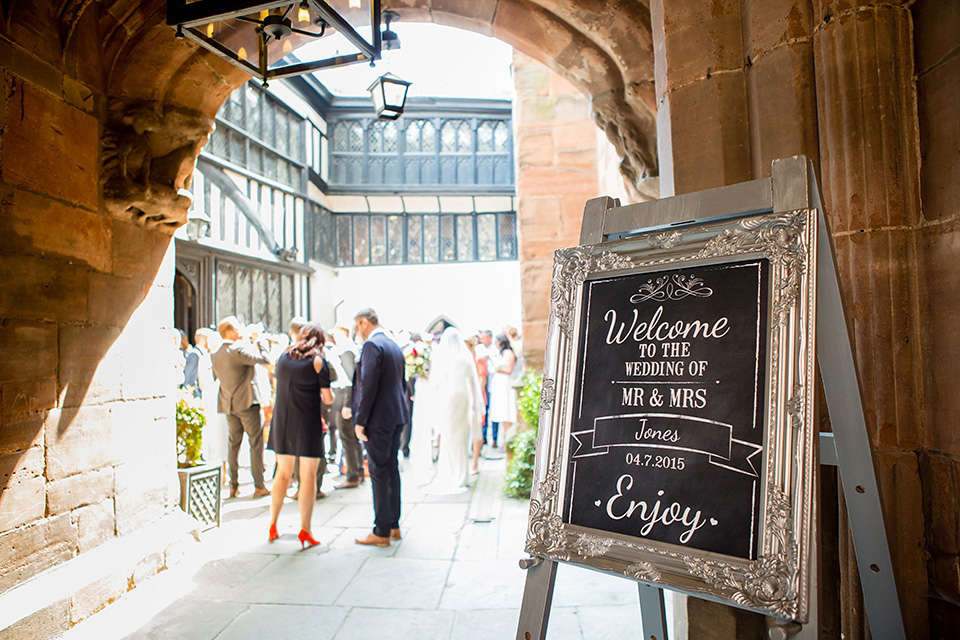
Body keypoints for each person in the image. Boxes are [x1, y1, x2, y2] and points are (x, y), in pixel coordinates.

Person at [266, 322, 334, 549]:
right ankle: (306, 530)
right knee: (308, 477)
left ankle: (273, 525)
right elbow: (328, 399)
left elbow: (279, 388)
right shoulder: (318, 361)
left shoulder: (283, 357)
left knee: (282, 474)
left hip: (283, 420)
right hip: (307, 421)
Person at [352, 308, 409, 546]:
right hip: (396, 415)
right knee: (391, 470)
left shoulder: (372, 346)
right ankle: (393, 525)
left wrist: (360, 420)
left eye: (357, 326)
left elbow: (368, 385)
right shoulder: (394, 345)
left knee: (378, 472)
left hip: (378, 419)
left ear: (364, 322)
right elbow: (402, 384)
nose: (358, 331)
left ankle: (381, 531)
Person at [210, 316, 273, 499]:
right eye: (238, 328)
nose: (241, 330)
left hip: (228, 404)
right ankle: (259, 486)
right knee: (255, 443)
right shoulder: (238, 350)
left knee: (234, 445)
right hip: (247, 403)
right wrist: (260, 340)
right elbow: (265, 359)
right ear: (229, 330)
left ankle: (233, 486)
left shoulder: (216, 353)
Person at [425, 328, 485, 494]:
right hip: (463, 397)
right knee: (461, 435)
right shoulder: (465, 357)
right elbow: (473, 382)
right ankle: (462, 474)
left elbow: (436, 383)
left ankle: (452, 472)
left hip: (447, 398)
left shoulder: (443, 358)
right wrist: (475, 404)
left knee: (449, 437)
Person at [330, 326, 363, 489]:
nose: (334, 336)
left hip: (346, 397)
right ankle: (358, 471)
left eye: (337, 333)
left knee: (348, 439)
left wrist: (347, 405)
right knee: (351, 438)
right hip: (344, 396)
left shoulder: (347, 351)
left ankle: (353, 475)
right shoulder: (346, 349)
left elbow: (352, 380)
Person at [487, 333, 517, 450]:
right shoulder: (501, 353)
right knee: (501, 413)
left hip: (505, 385)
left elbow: (509, 370)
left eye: (496, 341)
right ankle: (504, 441)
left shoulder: (509, 353)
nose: (495, 344)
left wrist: (497, 370)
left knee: (506, 413)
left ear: (502, 341)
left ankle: (507, 442)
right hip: (499, 385)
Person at [466, 335, 488, 473]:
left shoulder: (479, 359)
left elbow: (482, 380)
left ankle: (475, 462)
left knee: (477, 430)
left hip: (477, 397)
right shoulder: (464, 360)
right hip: (465, 397)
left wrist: (475, 397)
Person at [477, 330, 495, 445]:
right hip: (484, 384)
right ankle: (483, 437)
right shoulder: (479, 350)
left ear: (489, 337)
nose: (481, 340)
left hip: (492, 383)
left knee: (494, 412)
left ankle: (494, 438)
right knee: (484, 410)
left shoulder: (495, 350)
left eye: (483, 338)